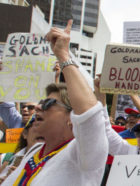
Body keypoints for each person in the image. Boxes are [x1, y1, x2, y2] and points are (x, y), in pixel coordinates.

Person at [2, 20, 108, 185]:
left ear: (72, 118)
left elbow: (90, 114)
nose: (37, 106)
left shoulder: (82, 155)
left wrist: (63, 55)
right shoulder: (36, 151)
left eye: (48, 104)